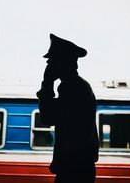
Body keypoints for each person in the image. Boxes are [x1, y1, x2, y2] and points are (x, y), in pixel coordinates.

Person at [36, 33, 99, 183]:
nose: (49, 64)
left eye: (52, 60)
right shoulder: (78, 85)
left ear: (62, 62)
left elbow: (47, 117)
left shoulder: (72, 87)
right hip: (78, 165)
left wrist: (47, 82)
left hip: (74, 167)